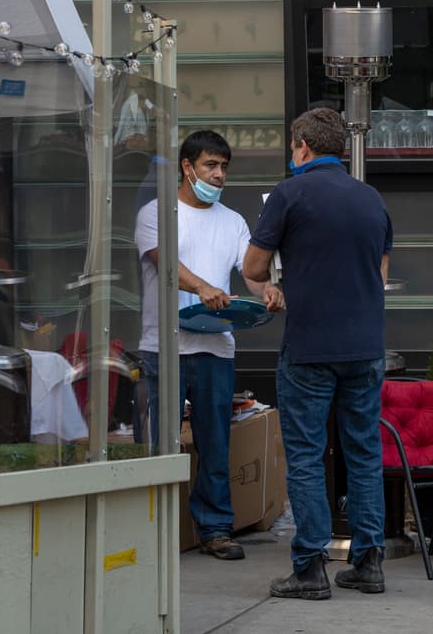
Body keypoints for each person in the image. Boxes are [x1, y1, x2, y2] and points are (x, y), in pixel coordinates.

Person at [244, 108, 393, 600]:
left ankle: (310, 568)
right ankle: (369, 563)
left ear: (304, 145)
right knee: (364, 453)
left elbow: (254, 264)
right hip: (366, 347)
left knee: (307, 457)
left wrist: (276, 286)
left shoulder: (289, 194)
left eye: (293, 146)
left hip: (309, 346)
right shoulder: (371, 198)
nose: (292, 154)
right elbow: (381, 276)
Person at [135, 130, 284, 560]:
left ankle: (215, 529)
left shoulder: (233, 220)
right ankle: (153, 528)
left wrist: (267, 290)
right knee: (159, 446)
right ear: (187, 167)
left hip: (217, 347)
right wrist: (202, 287)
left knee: (215, 443)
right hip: (163, 345)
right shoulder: (156, 212)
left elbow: (250, 270)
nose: (219, 175)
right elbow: (165, 263)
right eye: (210, 166)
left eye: (223, 167)